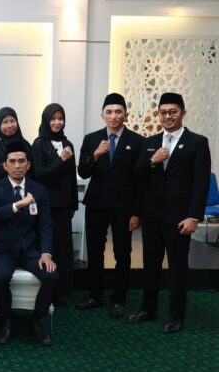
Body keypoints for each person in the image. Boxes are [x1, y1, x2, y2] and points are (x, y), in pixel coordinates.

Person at [128, 92, 211, 333]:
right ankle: (148, 309)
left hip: (180, 217)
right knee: (150, 265)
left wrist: (194, 216)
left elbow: (201, 183)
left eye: (173, 112)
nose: (168, 116)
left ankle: (176, 316)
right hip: (152, 216)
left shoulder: (197, 142)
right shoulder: (150, 142)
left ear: (183, 113)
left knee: (177, 268)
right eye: (163, 112)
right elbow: (138, 176)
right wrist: (152, 160)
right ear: (158, 114)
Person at [0, 141, 58, 346]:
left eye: (21, 161)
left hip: (31, 250)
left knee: (52, 275)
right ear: (5, 165)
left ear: (28, 165)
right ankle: (6, 319)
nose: (17, 165)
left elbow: (45, 224)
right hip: (3, 249)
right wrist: (16, 205)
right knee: (1, 277)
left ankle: (37, 320)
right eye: (12, 161)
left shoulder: (38, 190)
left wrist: (46, 253)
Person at [76, 93, 144, 318]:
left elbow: (140, 181)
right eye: (109, 112)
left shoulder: (137, 141)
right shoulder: (91, 139)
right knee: (94, 251)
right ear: (102, 115)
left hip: (124, 206)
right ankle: (95, 295)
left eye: (118, 111)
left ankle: (118, 299)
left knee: (122, 253)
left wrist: (137, 213)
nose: (114, 116)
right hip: (96, 203)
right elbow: (83, 172)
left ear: (126, 114)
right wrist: (95, 155)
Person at [30, 103, 78, 306]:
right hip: (47, 204)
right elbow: (39, 175)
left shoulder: (68, 143)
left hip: (64, 204)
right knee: (48, 246)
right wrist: (60, 159)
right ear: (46, 120)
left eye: (61, 118)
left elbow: (72, 177)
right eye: (53, 118)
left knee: (64, 248)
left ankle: (63, 292)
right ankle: (47, 292)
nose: (57, 122)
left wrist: (74, 204)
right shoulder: (39, 144)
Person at [0, 107, 32, 184]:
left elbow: (32, 171)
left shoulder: (25, 144)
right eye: (5, 122)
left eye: (12, 121)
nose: (10, 125)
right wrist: (10, 165)